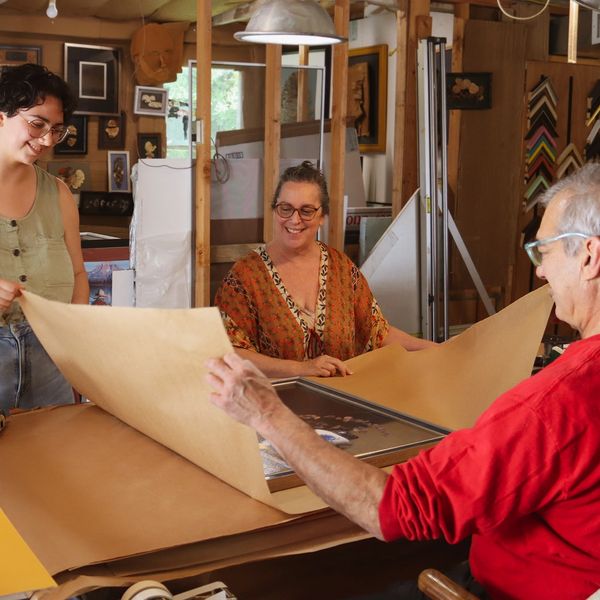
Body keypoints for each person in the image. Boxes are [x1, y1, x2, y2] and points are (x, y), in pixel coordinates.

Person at [207, 162, 600, 598]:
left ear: (588, 256)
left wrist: (266, 413)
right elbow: (227, 347)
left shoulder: (553, 406)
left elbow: (395, 506)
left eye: (543, 251)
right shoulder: (245, 277)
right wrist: (294, 376)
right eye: (285, 208)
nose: (541, 272)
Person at [214, 161, 435, 379]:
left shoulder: (342, 269)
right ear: (274, 210)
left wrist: (435, 349)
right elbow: (230, 352)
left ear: (322, 217)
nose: (294, 219)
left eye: (307, 210)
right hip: (272, 406)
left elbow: (378, 332)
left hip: (342, 405)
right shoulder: (245, 277)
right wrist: (300, 369)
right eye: (285, 208)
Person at [0, 63, 89, 413]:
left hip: (52, 358)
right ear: (2, 115)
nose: (48, 140)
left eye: (57, 130)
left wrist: (75, 342)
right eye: (37, 124)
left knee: (58, 460)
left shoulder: (59, 194)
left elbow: (79, 275)